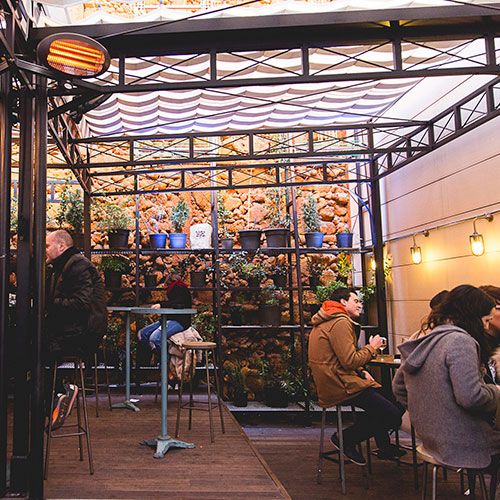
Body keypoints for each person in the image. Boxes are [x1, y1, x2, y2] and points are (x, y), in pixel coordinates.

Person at [393, 284, 500, 469]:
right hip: (461, 441)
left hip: (430, 438)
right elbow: (471, 398)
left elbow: (398, 387)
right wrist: (496, 391)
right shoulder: (461, 341)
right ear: (472, 316)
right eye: (485, 320)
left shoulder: (430, 338)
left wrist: (430, 415)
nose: (486, 326)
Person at [308, 287, 405, 465]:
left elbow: (337, 359)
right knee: (392, 412)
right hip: (341, 385)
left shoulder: (327, 320)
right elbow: (349, 360)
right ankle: (345, 438)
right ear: (343, 302)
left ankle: (384, 447)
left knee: (392, 400)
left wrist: (361, 372)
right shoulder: (340, 322)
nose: (360, 305)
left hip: (334, 381)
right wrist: (372, 347)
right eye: (356, 301)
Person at [45, 229, 107, 429]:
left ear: (61, 246)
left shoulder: (77, 265)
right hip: (75, 330)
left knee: (37, 349)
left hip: (84, 334)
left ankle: (60, 394)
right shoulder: (62, 267)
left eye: (47, 246)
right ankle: (57, 398)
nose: (44, 250)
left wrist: (49, 304)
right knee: (34, 347)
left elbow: (80, 304)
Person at [137, 273, 192, 355]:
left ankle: (165, 361)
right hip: (170, 319)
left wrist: (161, 305)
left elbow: (178, 303)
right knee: (143, 333)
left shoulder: (178, 288)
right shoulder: (179, 288)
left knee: (155, 338)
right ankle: (150, 359)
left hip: (180, 321)